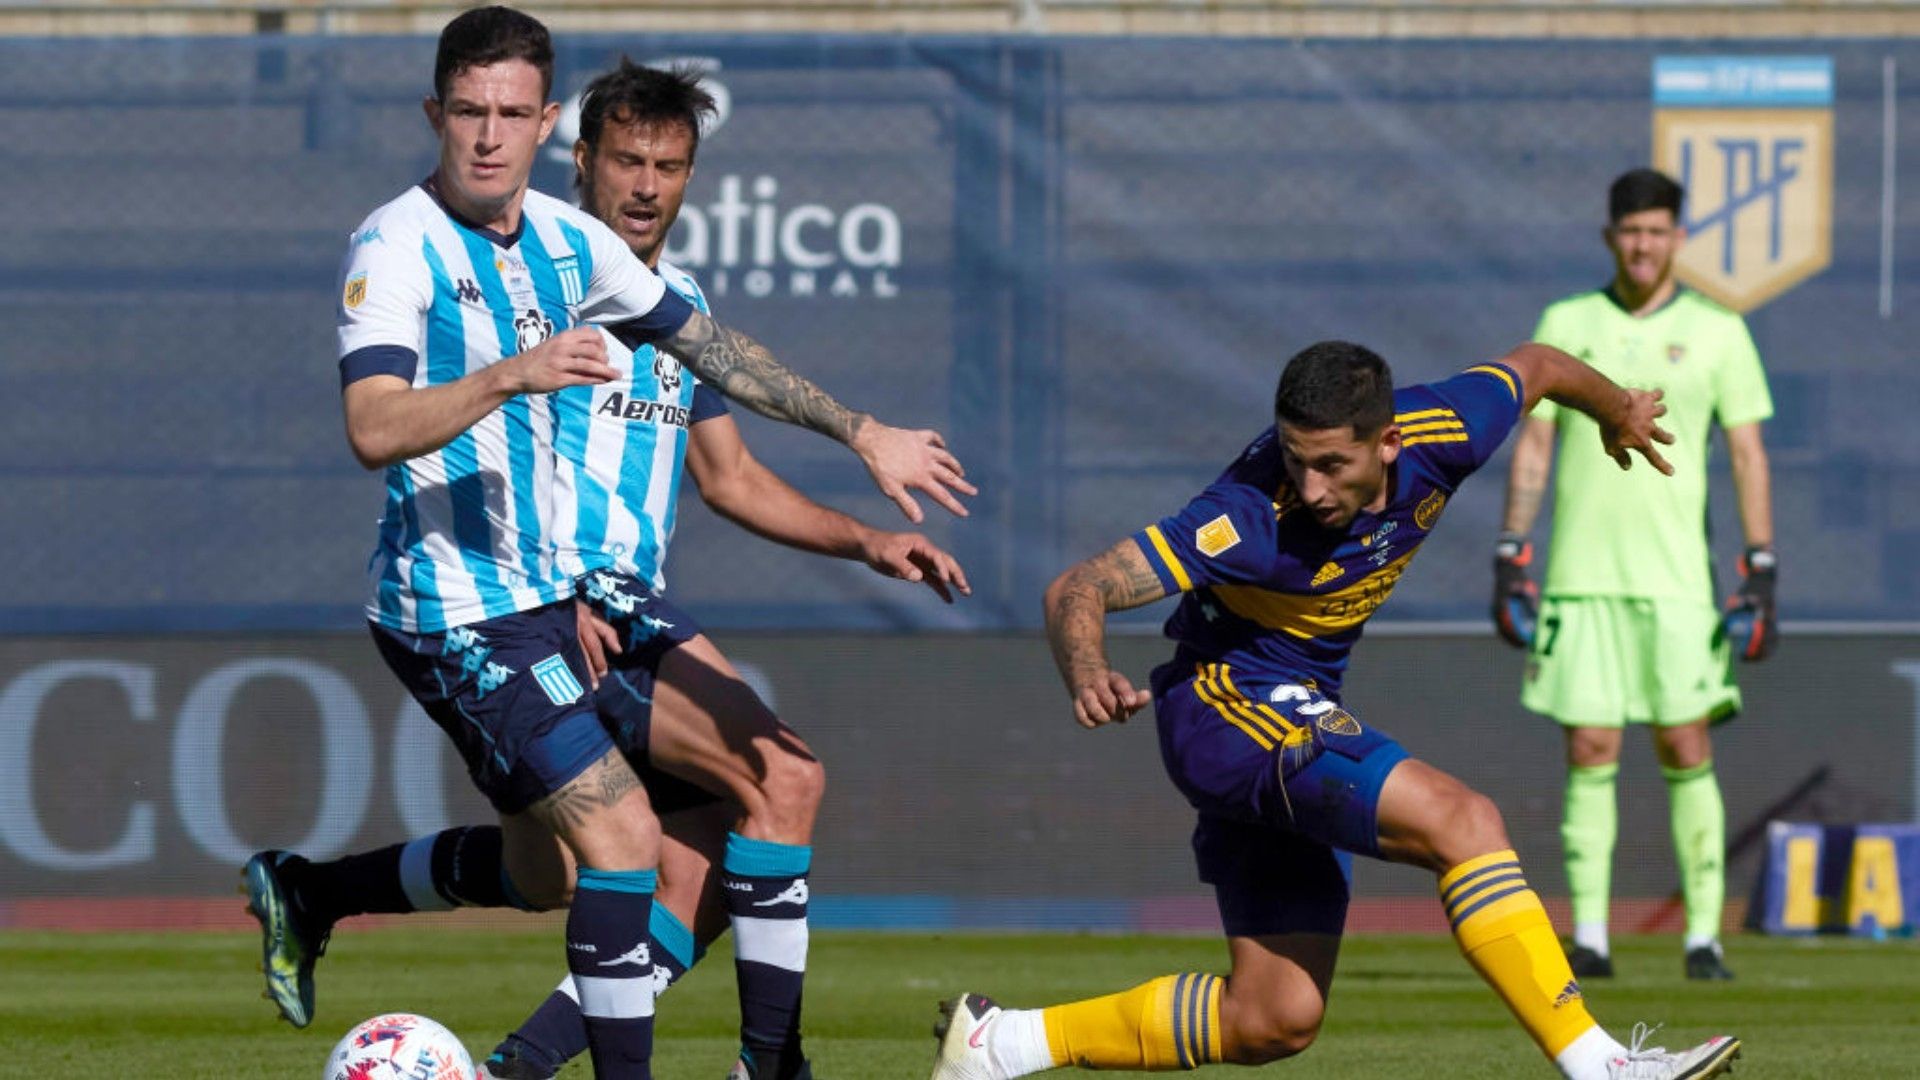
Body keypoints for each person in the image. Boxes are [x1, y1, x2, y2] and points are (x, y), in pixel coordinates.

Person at [243, 10, 969, 1079]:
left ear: (541, 125)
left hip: (558, 597)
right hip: (463, 606)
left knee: (560, 874)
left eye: (509, 114)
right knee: (688, 824)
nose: (489, 135)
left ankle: (330, 908)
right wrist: (508, 376)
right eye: (468, 112)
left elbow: (714, 365)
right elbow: (371, 427)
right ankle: (765, 1066)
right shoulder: (395, 243)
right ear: (439, 115)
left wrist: (864, 439)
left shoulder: (575, 250)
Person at [930, 340, 1744, 1080]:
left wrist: (1618, 409)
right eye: (1294, 458)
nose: (1310, 487)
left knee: (1273, 1019)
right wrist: (1088, 666)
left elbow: (1537, 367)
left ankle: (998, 1046)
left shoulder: (1447, 427)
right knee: (1463, 821)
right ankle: (1603, 1066)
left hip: (1291, 710)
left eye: (1330, 464)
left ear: (1387, 443)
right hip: (1224, 705)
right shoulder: (1248, 515)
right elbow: (1077, 586)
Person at [1491, 168, 1776, 983]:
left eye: (1657, 231)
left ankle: (1703, 939)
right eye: (1630, 231)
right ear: (1610, 237)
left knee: (1686, 740)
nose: (1643, 245)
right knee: (1590, 745)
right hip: (1582, 578)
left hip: (1679, 581)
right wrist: (1513, 547)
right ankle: (1590, 936)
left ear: (1677, 238)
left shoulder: (1720, 331)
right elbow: (1536, 444)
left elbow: (1750, 453)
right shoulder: (1567, 323)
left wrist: (1761, 565)